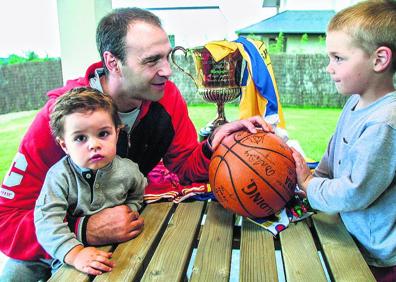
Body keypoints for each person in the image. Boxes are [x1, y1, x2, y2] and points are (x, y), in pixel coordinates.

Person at [0, 7, 270, 281]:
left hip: (123, 230)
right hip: (49, 242)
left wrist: (215, 142)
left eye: (167, 56)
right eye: (152, 60)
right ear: (113, 62)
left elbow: (185, 166)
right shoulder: (60, 118)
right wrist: (83, 229)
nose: (167, 71)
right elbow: (5, 220)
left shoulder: (167, 98)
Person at [291, 1, 396, 281]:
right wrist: (315, 178)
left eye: (338, 58)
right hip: (351, 236)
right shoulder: (354, 103)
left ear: (379, 60)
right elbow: (334, 150)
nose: (329, 68)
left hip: (380, 256)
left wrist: (310, 185)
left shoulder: (385, 122)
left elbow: (355, 191)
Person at [33, 87, 147, 277]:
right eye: (80, 138)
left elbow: (138, 190)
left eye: (103, 134)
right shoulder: (60, 177)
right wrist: (75, 254)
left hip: (121, 248)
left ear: (117, 134)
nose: (94, 145)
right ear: (64, 145)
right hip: (71, 256)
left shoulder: (128, 170)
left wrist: (131, 209)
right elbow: (46, 221)